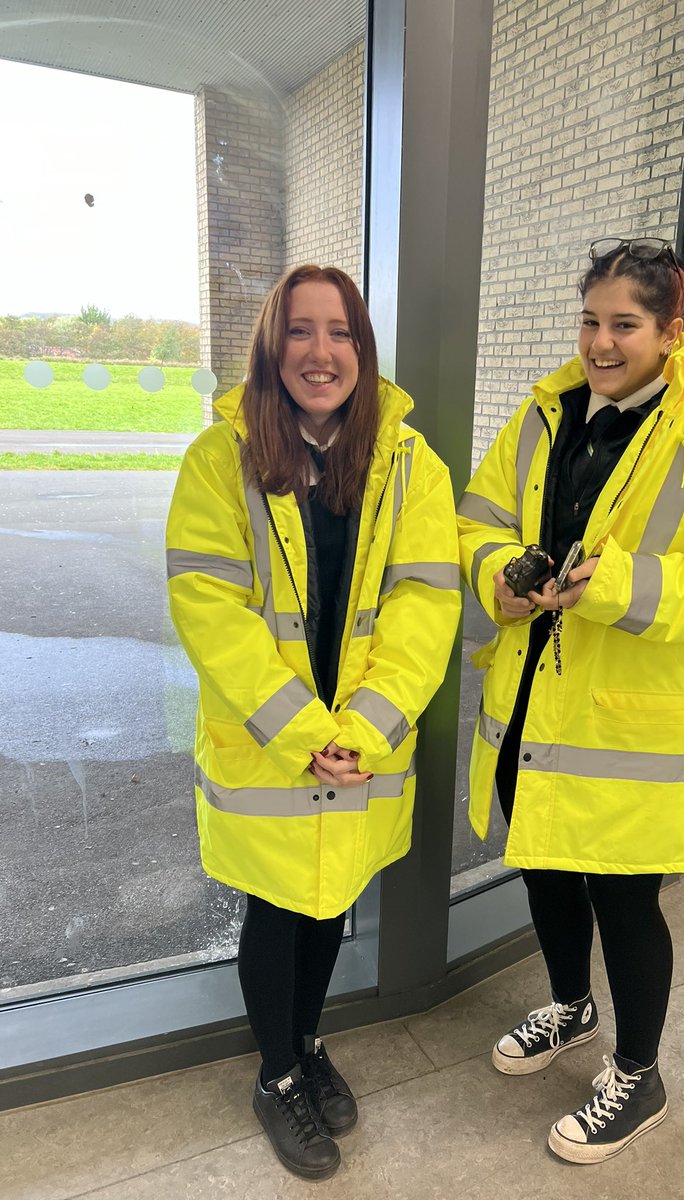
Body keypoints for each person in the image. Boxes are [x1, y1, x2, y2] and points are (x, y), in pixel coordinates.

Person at [457, 237, 684, 1165]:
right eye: (592, 321)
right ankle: (570, 1008)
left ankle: (639, 1074)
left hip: (632, 732)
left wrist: (617, 584)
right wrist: (500, 574)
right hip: (531, 706)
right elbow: (475, 519)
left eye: (626, 325)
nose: (602, 342)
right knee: (548, 871)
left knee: (628, 903)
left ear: (671, 332)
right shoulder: (542, 417)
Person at [166, 265, 460, 1181]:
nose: (321, 352)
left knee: (332, 904)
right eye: (300, 331)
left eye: (341, 333)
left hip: (359, 741)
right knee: (276, 909)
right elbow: (211, 610)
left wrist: (363, 731)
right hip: (269, 743)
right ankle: (276, 1074)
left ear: (363, 351)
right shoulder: (221, 458)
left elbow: (424, 604)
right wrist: (305, 734)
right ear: (272, 345)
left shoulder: (412, 465)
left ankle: (304, 1041)